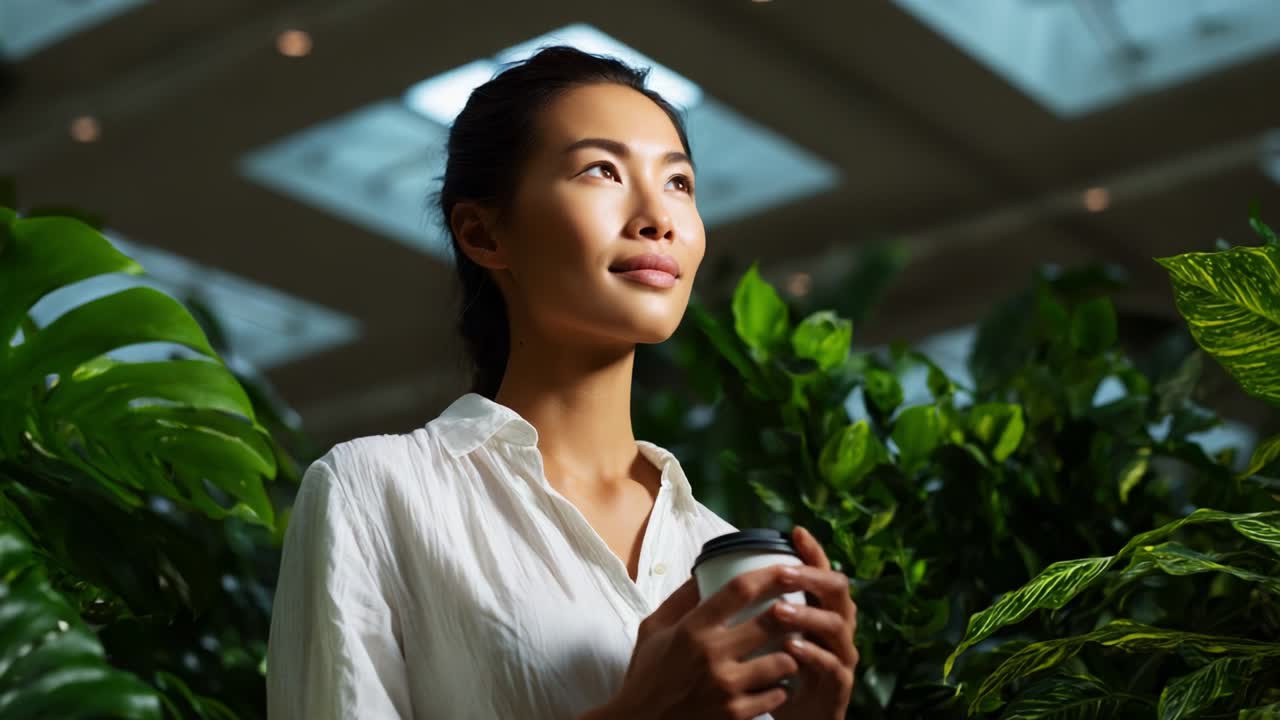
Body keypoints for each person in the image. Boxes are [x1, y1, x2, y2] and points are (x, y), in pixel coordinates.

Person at [266, 45, 859, 720]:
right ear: (483, 233)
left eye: (679, 183)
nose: (657, 218)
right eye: (602, 171)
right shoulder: (376, 491)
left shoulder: (716, 552)